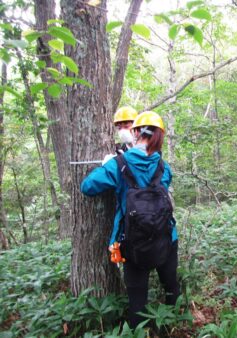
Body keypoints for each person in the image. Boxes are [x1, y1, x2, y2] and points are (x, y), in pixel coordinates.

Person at [81, 111, 180, 329]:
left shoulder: (118, 164)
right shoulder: (165, 168)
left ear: (136, 132)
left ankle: (139, 332)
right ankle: (174, 323)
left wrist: (107, 164)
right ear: (160, 136)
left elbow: (87, 187)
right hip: (166, 236)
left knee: (137, 299)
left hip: (132, 242)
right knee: (171, 284)